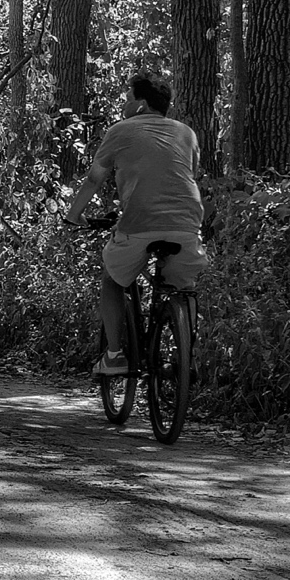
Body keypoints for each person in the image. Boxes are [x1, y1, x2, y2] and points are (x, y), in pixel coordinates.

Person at [63, 72, 208, 375]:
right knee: (185, 286)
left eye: (128, 99)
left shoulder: (122, 130)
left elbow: (94, 179)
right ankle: (189, 356)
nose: (124, 105)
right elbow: (185, 176)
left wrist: (73, 215)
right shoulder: (187, 134)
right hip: (187, 222)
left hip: (140, 221)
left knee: (112, 279)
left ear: (141, 104)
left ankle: (115, 355)